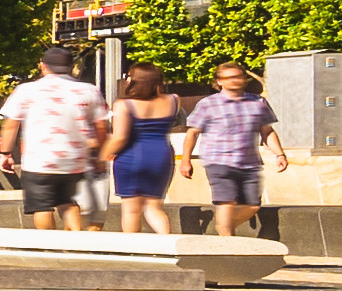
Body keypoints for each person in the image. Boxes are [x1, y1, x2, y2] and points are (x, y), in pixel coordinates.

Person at [0, 47, 107, 228]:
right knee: (67, 202)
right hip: (74, 161)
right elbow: (101, 126)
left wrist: (5, 153)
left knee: (41, 206)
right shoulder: (89, 90)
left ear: (42, 66)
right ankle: (76, 242)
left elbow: (11, 124)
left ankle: (50, 246)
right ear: (71, 66)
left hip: (39, 161)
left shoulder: (26, 90)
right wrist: (99, 154)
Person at [189, 62, 284, 240]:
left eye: (238, 76)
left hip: (250, 163)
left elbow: (267, 131)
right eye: (228, 78)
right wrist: (186, 160)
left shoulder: (258, 102)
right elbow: (192, 133)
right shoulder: (208, 104)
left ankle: (224, 229)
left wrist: (279, 154)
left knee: (253, 206)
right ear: (219, 82)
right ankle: (228, 245)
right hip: (218, 161)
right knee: (227, 203)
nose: (234, 81)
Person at [103, 61, 191, 236]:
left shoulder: (123, 104)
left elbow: (120, 137)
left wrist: (103, 154)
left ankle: (133, 249)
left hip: (131, 156)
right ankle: (165, 243)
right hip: (161, 155)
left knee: (131, 209)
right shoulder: (174, 99)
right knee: (154, 206)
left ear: (134, 80)